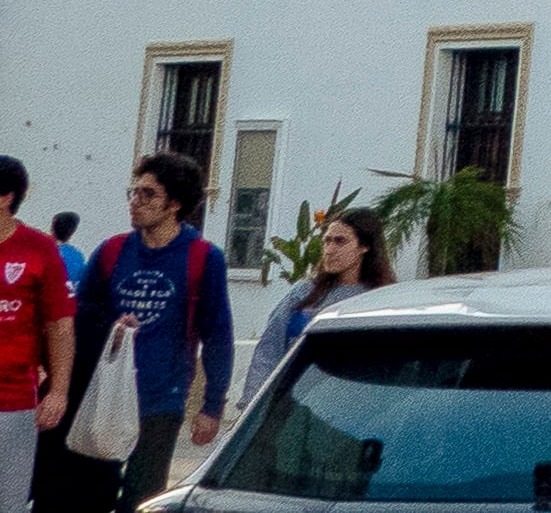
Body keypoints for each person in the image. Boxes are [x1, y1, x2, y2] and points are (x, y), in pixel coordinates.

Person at [60, 157, 229, 513]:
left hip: (160, 398)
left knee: (143, 498)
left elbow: (217, 334)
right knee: (90, 492)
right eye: (133, 192)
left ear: (175, 204)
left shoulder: (202, 258)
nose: (136, 201)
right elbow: (77, 316)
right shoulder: (111, 251)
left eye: (148, 194)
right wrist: (110, 324)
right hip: (105, 392)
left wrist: (211, 406)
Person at [233, 210, 388, 416]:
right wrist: (252, 405)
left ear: (364, 246)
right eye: (327, 241)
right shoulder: (303, 294)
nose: (330, 250)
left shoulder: (380, 300)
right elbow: (270, 349)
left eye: (340, 241)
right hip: (291, 406)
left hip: (348, 413)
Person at [0, 159, 68, 513]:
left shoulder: (38, 249)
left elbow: (60, 326)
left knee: (7, 503)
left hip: (13, 402)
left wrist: (58, 391)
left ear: (5, 197)